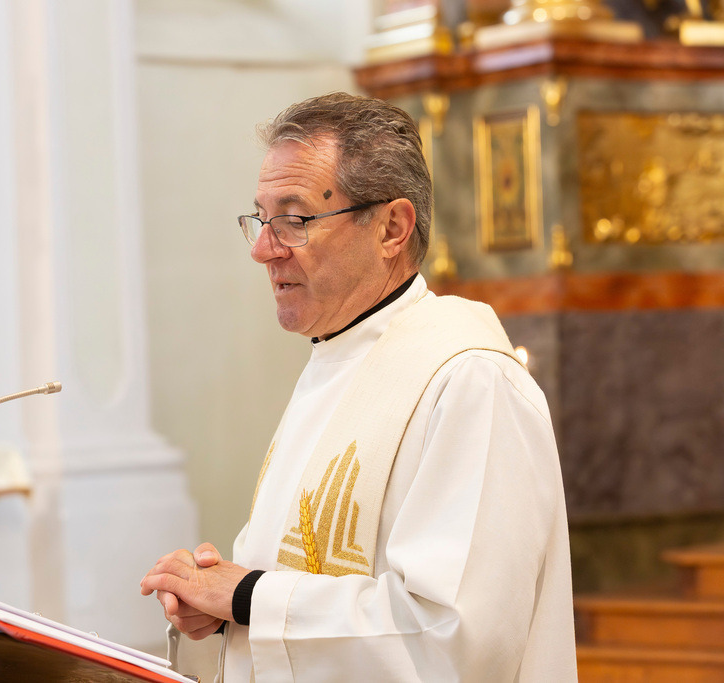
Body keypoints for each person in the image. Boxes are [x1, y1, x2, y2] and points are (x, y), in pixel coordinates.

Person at [140, 92, 576, 682]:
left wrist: (249, 599)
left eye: (293, 219)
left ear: (392, 227)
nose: (261, 249)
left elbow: (456, 639)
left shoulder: (468, 381)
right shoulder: (334, 361)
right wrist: (218, 612)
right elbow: (294, 578)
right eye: (261, 218)